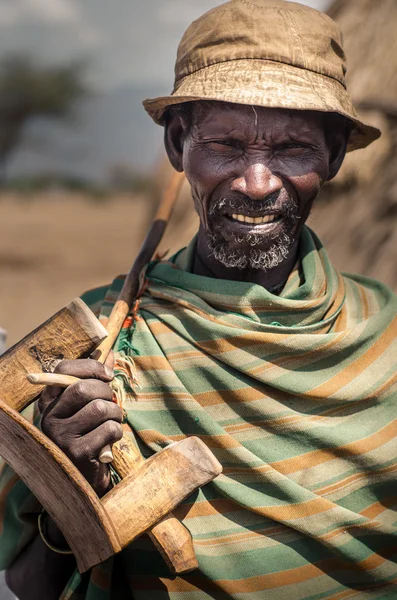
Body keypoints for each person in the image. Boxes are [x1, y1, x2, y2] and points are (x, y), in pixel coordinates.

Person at [1, 1, 396, 598]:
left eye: (292, 149)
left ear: (335, 156)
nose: (256, 184)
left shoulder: (388, 335)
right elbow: (30, 585)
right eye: (226, 145)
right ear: (179, 144)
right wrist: (66, 484)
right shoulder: (96, 344)